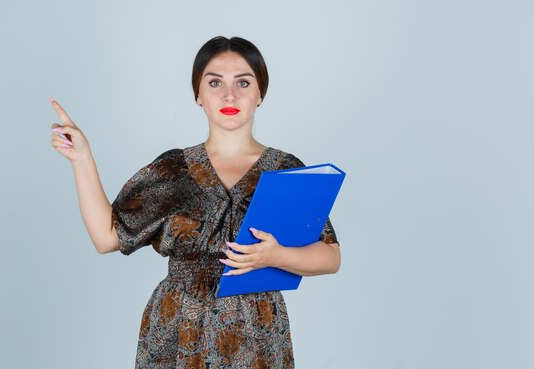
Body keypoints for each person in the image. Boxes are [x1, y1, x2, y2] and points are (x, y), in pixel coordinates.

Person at [49, 36, 341, 368]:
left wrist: (278, 255)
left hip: (258, 330)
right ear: (198, 94)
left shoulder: (285, 170)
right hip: (179, 327)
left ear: (260, 93)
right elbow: (107, 237)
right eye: (214, 82)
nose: (229, 94)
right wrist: (82, 158)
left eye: (243, 82)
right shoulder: (172, 169)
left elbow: (330, 256)